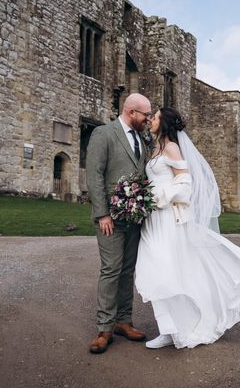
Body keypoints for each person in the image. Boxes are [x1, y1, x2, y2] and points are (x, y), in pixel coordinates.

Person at [135, 107, 240, 349]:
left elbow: (185, 184)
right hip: (153, 219)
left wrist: (156, 197)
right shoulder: (156, 149)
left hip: (168, 217)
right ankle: (167, 328)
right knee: (153, 268)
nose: (151, 120)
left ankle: (176, 327)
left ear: (165, 123)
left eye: (156, 117)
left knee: (166, 269)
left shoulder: (172, 148)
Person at [85, 93, 153, 354]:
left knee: (127, 269)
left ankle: (124, 321)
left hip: (134, 217)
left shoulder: (142, 139)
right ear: (131, 111)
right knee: (111, 269)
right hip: (110, 218)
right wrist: (102, 214)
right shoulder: (104, 134)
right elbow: (94, 175)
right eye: (145, 115)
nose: (148, 119)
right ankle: (104, 328)